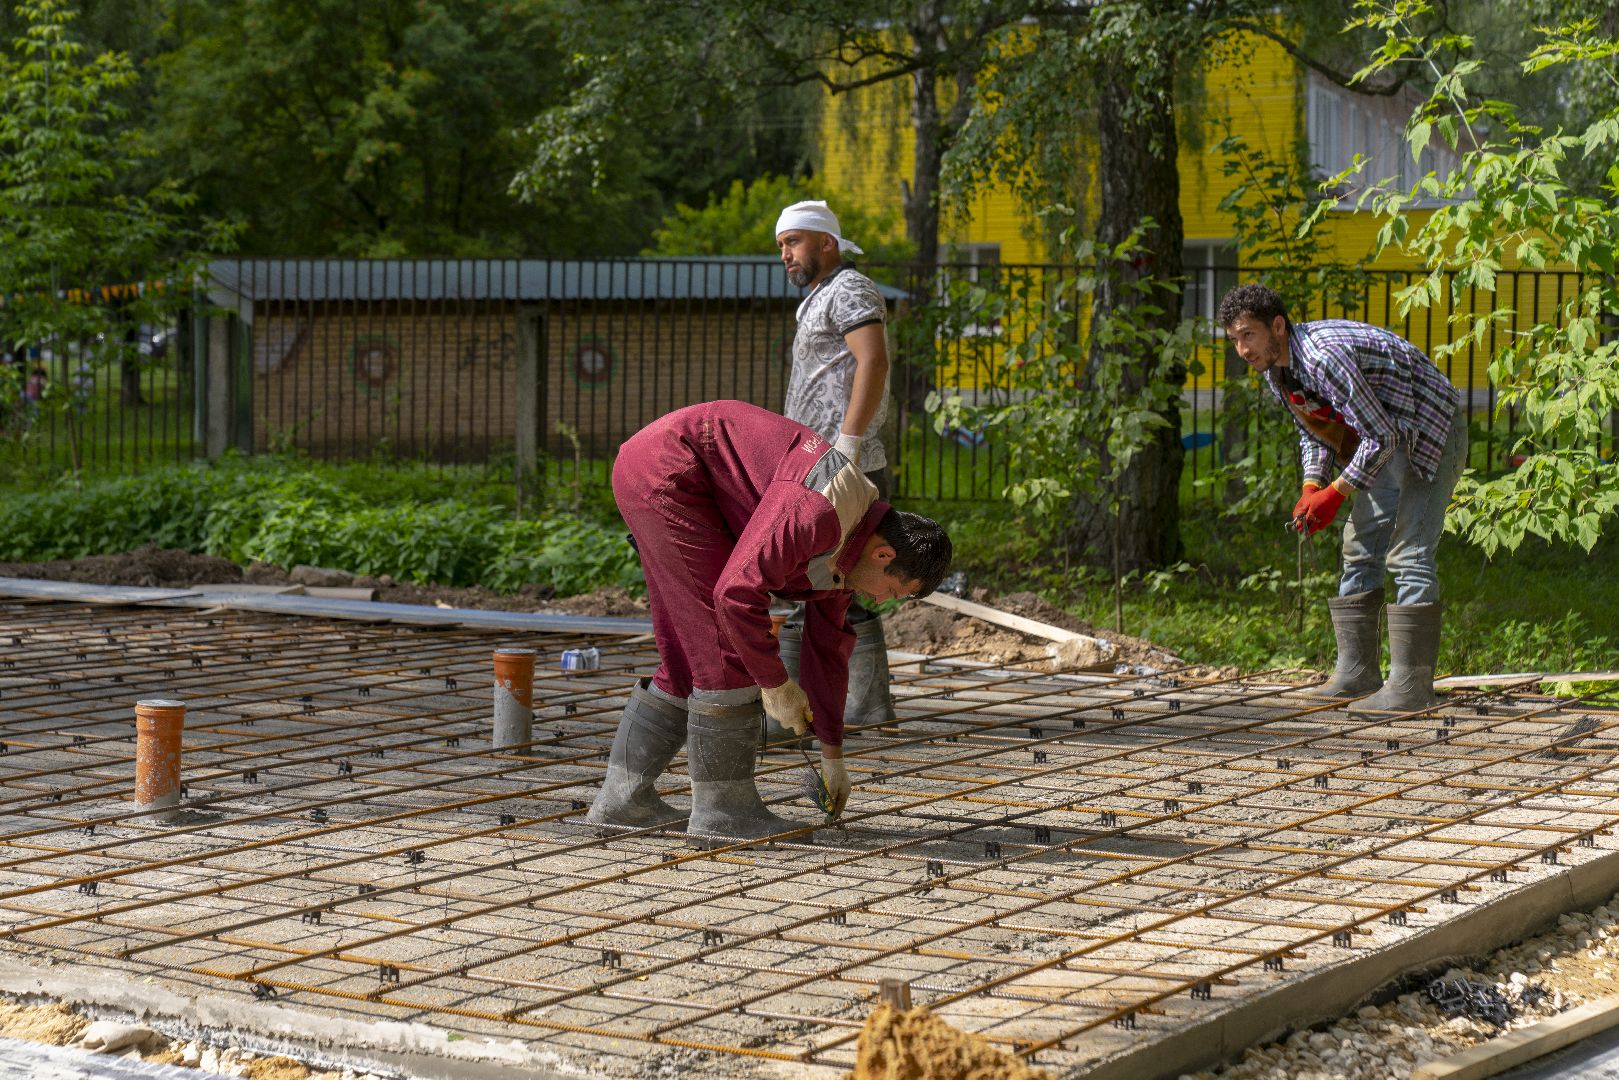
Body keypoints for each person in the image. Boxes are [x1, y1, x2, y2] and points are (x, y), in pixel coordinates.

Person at [587, 400, 952, 842]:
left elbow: (827, 647)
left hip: (674, 476)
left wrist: (832, 756)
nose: (880, 599)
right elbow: (736, 594)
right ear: (884, 555)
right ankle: (725, 812)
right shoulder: (819, 512)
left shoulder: (849, 553)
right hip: (670, 471)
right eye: (892, 590)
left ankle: (623, 800)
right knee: (726, 652)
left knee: (689, 658)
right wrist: (775, 684)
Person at [1217, 283, 1467, 713]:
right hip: (1385, 437)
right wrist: (1311, 487)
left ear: (1276, 326)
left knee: (1409, 553)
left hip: (1429, 433)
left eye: (1248, 335)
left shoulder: (1322, 358)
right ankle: (1357, 674)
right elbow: (1313, 428)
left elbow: (1384, 436)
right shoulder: (1278, 368)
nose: (1241, 349)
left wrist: (1336, 492)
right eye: (1235, 340)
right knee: (1360, 546)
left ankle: (1410, 687)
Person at [774, 199, 898, 730]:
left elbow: (873, 359)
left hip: (845, 465)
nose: (785, 254)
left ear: (827, 242)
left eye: (794, 241)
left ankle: (864, 709)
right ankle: (803, 712)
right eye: (781, 245)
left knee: (849, 584)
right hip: (817, 464)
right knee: (811, 585)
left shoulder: (848, 288)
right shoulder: (820, 297)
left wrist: (848, 442)